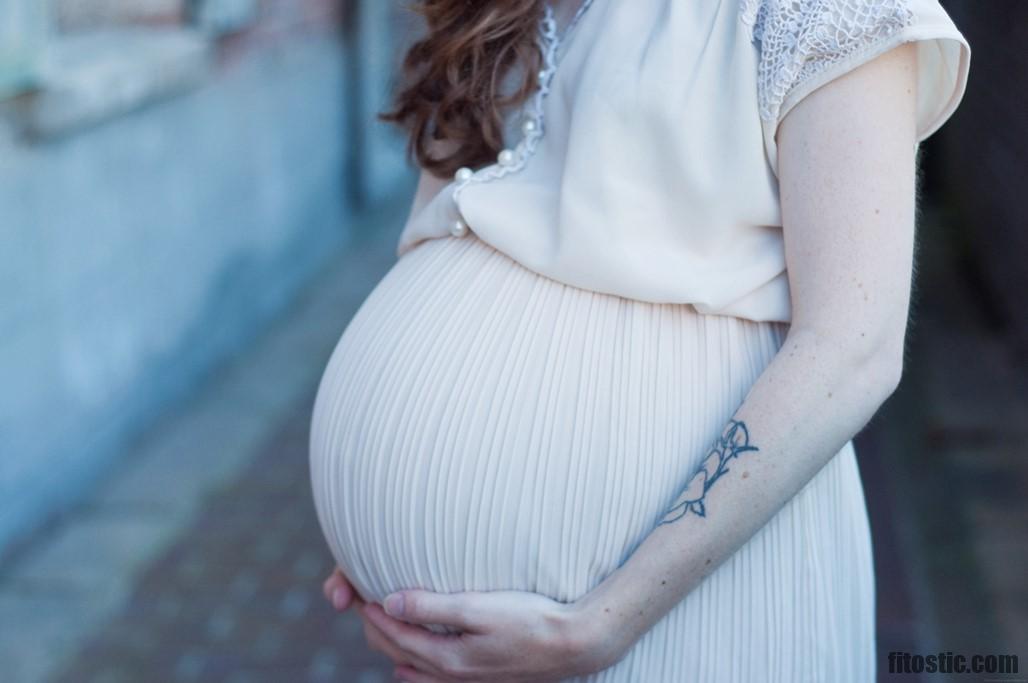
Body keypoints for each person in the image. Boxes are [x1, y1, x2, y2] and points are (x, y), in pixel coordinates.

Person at [310, 0, 971, 680]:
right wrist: (390, 505)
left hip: (677, 611)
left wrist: (594, 628)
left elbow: (852, 347)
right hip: (461, 627)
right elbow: (438, 220)